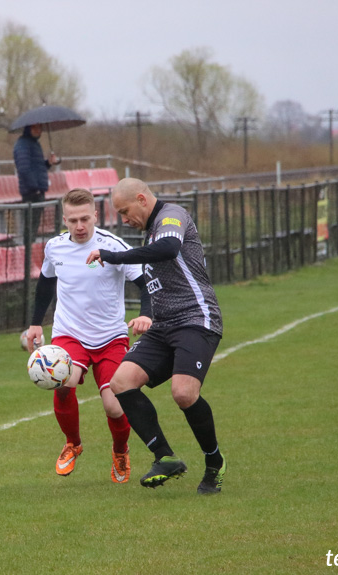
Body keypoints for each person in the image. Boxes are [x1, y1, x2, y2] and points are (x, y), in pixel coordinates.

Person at [85, 177, 226, 493]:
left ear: (141, 199)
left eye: (125, 211)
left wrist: (114, 256)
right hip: (163, 326)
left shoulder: (171, 216)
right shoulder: (150, 232)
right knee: (120, 382)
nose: (124, 220)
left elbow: (168, 248)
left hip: (196, 318)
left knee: (183, 394)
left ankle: (214, 462)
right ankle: (165, 457)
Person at [27, 188, 152, 483]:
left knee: (114, 404)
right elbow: (45, 283)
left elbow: (146, 282)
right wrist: (35, 324)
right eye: (73, 220)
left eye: (85, 218)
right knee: (61, 384)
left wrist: (146, 314)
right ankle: (73, 443)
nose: (79, 226)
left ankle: (120, 450)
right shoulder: (55, 247)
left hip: (111, 337)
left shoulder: (114, 246)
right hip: (70, 334)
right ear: (64, 219)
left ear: (96, 215)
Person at [13, 123, 60, 243]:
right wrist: (35, 187)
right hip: (31, 193)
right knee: (29, 227)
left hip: (38, 191)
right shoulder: (22, 145)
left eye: (40, 128)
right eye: (36, 128)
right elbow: (24, 169)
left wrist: (48, 163)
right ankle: (27, 254)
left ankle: (30, 249)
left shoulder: (34, 144)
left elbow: (38, 168)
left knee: (34, 225)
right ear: (29, 128)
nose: (39, 131)